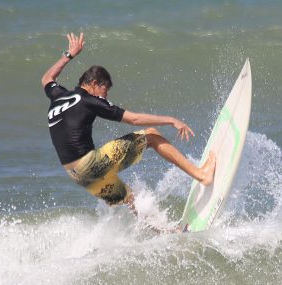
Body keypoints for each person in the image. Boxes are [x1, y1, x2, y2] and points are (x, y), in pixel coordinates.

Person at [41, 32, 215, 213]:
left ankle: (161, 233)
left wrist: (68, 55)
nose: (105, 96)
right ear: (93, 83)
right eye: (105, 90)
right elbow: (134, 119)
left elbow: (46, 79)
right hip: (90, 164)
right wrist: (171, 120)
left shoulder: (59, 96)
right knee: (153, 136)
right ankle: (202, 176)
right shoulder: (89, 100)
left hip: (78, 176)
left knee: (132, 199)